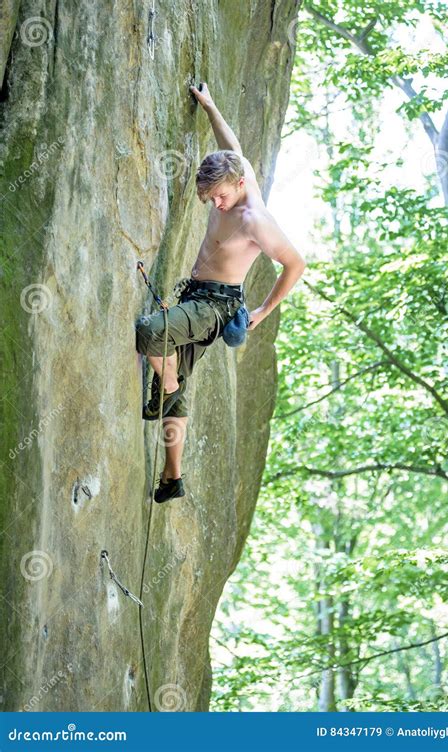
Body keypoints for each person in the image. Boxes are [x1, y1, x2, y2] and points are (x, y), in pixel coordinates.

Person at [135, 82, 306, 503]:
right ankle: (173, 478)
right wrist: (210, 105)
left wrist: (261, 313)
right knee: (174, 392)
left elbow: (295, 263)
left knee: (149, 332)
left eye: (220, 196)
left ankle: (169, 383)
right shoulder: (237, 172)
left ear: (238, 184)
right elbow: (231, 144)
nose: (216, 204)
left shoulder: (254, 218)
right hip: (195, 296)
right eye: (210, 199)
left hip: (217, 307)